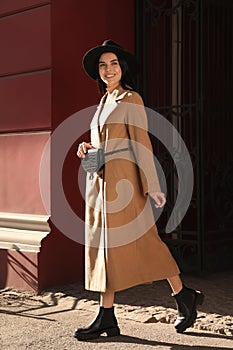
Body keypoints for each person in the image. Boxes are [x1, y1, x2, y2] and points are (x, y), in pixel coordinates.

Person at [75, 40, 204, 341]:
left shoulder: (130, 99)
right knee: (104, 249)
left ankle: (184, 295)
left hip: (125, 185)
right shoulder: (104, 101)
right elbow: (107, 142)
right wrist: (87, 147)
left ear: (123, 68)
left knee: (146, 242)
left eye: (114, 64)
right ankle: (108, 316)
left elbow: (140, 144)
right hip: (100, 186)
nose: (108, 69)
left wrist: (154, 187)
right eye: (102, 65)